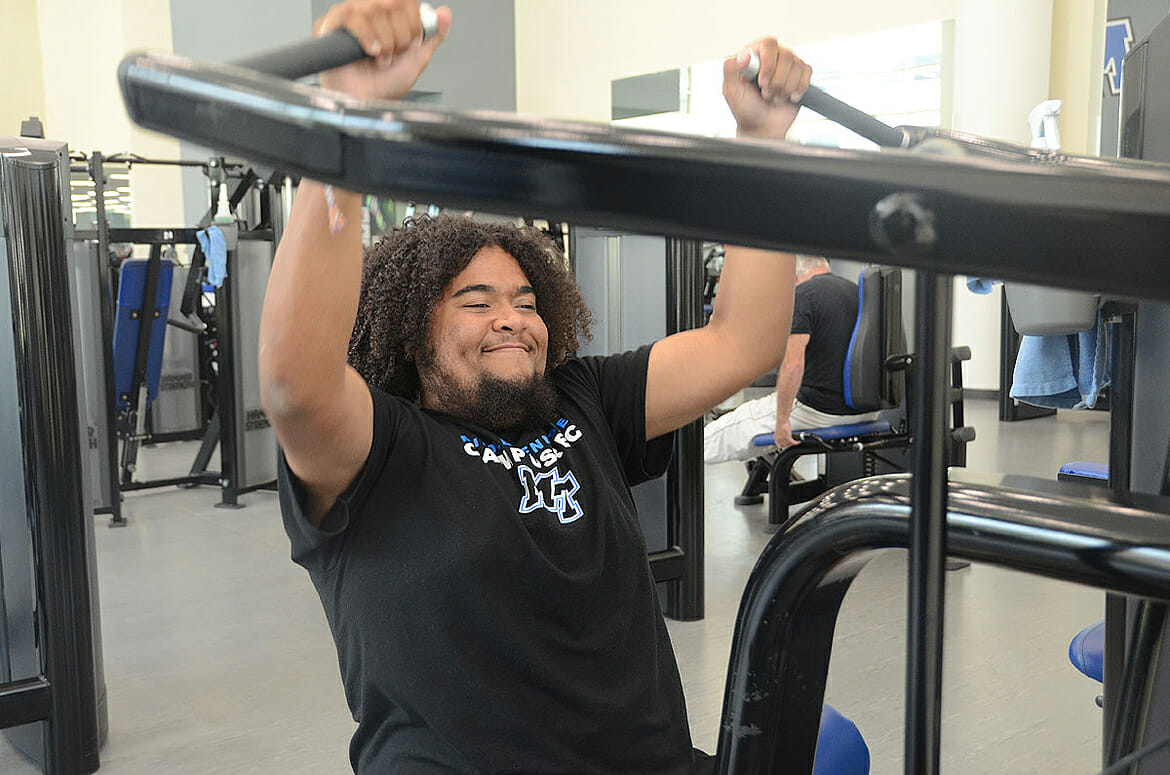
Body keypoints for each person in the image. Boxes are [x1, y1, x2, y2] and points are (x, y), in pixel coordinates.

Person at [258, 1, 809, 772]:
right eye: (476, 302)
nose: (512, 318)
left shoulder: (584, 399)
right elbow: (296, 385)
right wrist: (342, 121)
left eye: (526, 301)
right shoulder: (379, 451)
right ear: (414, 335)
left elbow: (742, 342)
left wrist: (763, 143)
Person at [703, 255, 881, 465]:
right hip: (868, 413)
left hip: (819, 411)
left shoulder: (803, 295)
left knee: (727, 430)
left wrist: (782, 421)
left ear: (795, 273)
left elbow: (793, 364)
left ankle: (675, 460)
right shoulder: (858, 293)